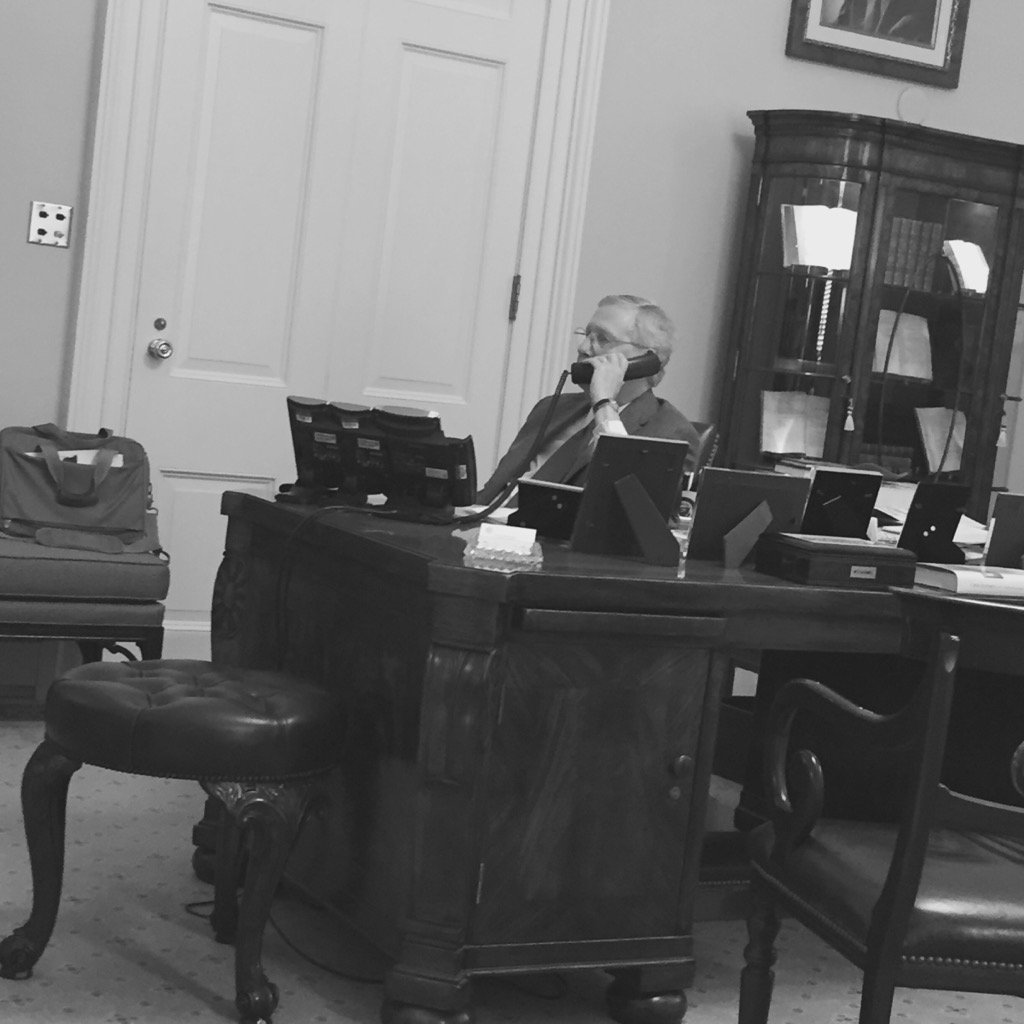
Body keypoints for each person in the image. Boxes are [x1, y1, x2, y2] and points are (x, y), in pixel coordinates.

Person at [477, 294, 701, 504]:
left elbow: (629, 509)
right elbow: (494, 491)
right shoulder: (552, 407)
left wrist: (604, 404)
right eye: (586, 335)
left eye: (602, 339)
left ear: (647, 359)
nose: (583, 348)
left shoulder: (672, 433)